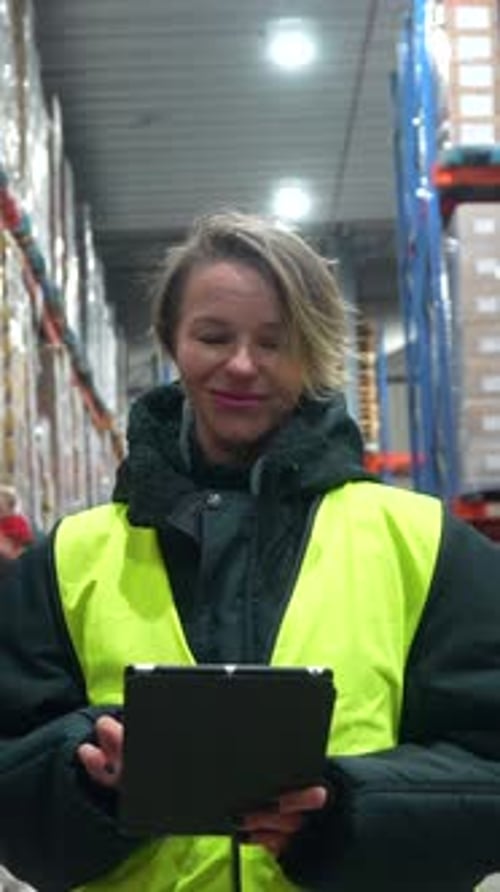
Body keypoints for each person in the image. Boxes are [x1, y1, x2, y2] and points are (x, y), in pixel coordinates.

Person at [0, 210, 499, 892]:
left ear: (314, 351)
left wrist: (344, 810)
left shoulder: (427, 546)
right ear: (172, 342)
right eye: (213, 336)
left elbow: (487, 770)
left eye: (274, 341)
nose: (241, 364)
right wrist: (85, 773)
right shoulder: (67, 560)